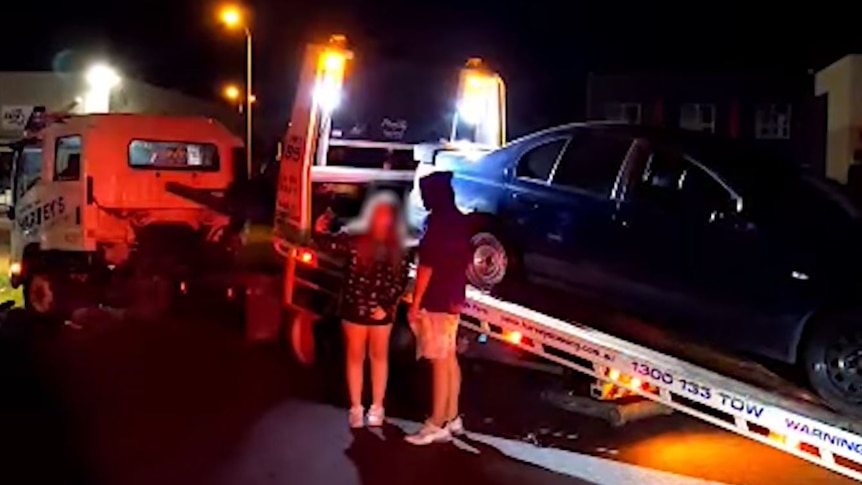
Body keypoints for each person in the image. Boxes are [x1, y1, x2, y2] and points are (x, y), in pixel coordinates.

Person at [314, 192, 411, 428]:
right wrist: (319, 230)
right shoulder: (355, 239)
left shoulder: (398, 247)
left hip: (381, 311)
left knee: (379, 357)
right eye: (379, 214)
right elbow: (329, 244)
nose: (382, 220)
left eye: (387, 216)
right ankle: (356, 407)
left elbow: (400, 279)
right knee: (355, 357)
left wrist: (385, 306)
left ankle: (377, 406)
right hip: (354, 307)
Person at [405, 171, 473, 445]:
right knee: (449, 360)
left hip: (435, 302)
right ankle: (453, 417)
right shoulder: (461, 222)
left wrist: (415, 302)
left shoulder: (436, 225)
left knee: (439, 362)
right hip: (453, 299)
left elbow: (426, 267)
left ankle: (435, 424)